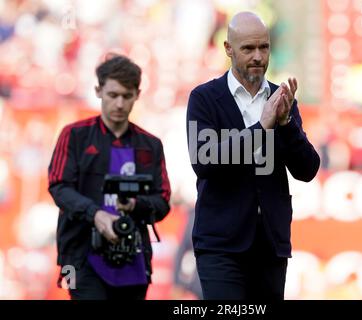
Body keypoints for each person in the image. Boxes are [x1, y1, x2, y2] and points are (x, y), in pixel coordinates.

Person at [186, 12, 320, 300]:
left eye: (264, 47)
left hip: (271, 246)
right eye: (248, 48)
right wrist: (262, 128)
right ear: (228, 49)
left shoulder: (281, 99)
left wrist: (286, 125)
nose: (258, 56)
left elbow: (307, 169)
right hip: (220, 245)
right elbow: (205, 162)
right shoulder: (204, 98)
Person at [48, 54, 171, 300]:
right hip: (81, 256)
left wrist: (136, 205)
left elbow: (163, 201)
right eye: (113, 95)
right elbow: (59, 186)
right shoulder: (74, 136)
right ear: (98, 90)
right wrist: (96, 214)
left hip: (134, 258)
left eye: (127, 96)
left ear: (138, 94)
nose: (119, 104)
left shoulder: (151, 145)